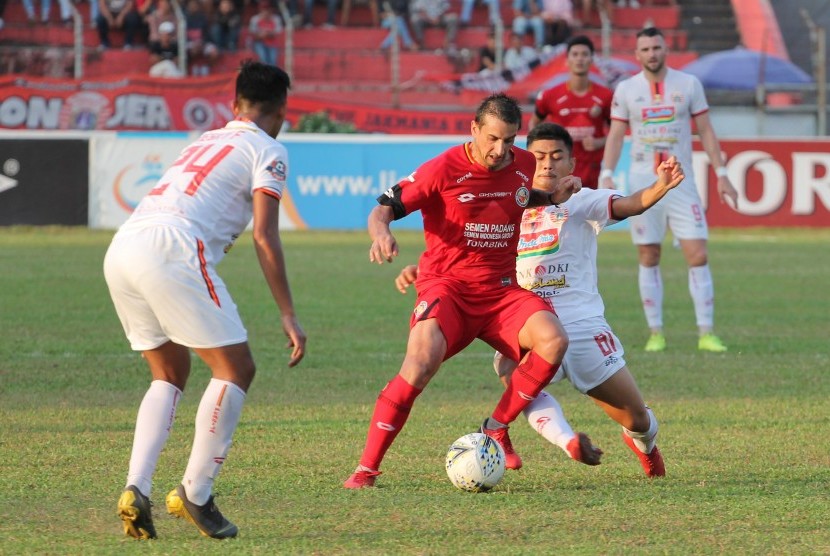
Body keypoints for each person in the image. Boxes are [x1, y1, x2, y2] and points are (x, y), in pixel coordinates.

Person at [395, 123, 682, 476]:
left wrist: (658, 188)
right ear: (525, 162)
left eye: (557, 157)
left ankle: (646, 446)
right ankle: (558, 440)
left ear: (571, 165)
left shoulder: (581, 201)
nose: (547, 165)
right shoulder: (506, 202)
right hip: (525, 319)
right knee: (508, 368)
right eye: (540, 157)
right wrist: (420, 269)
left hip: (580, 325)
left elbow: (626, 205)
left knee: (637, 419)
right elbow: (464, 253)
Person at [106, 61, 307, 540]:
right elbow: (264, 234)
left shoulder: (205, 139)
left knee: (169, 373)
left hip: (124, 245)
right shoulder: (270, 149)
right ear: (281, 110)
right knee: (237, 369)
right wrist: (287, 312)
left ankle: (136, 486)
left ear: (233, 105)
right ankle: (196, 493)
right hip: (173, 249)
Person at [343, 93, 581, 489]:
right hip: (447, 288)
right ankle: (366, 469)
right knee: (419, 364)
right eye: (491, 139)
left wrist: (552, 197)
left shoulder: (523, 164)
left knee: (554, 341)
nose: (500, 150)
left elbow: (524, 197)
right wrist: (381, 232)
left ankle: (497, 426)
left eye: (509, 140)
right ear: (473, 130)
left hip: (502, 292)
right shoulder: (443, 169)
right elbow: (382, 208)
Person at [600, 26, 738, 353]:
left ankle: (706, 332)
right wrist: (607, 172)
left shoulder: (688, 84)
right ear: (637, 55)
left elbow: (705, 130)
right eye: (645, 49)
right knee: (649, 254)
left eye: (657, 47)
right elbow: (616, 135)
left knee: (698, 253)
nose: (652, 54)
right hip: (642, 183)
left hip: (682, 182)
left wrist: (722, 172)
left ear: (665, 50)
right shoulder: (626, 90)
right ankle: (656, 332)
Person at [529, 35, 612, 189]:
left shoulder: (606, 95)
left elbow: (616, 133)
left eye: (584, 54)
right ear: (567, 60)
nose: (580, 59)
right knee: (557, 213)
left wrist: (599, 142)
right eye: (575, 54)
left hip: (593, 172)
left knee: (590, 212)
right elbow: (534, 122)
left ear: (591, 60)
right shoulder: (550, 95)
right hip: (558, 172)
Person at [249, 0, 283, 66]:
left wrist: (267, 34)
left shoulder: (276, 19)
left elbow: (278, 33)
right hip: (259, 42)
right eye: (264, 9)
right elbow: (252, 34)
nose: (265, 12)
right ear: (260, 10)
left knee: (273, 61)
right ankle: (264, 75)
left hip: (272, 42)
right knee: (263, 58)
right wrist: (261, 35)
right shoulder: (255, 19)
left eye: (267, 9)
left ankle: (272, 75)